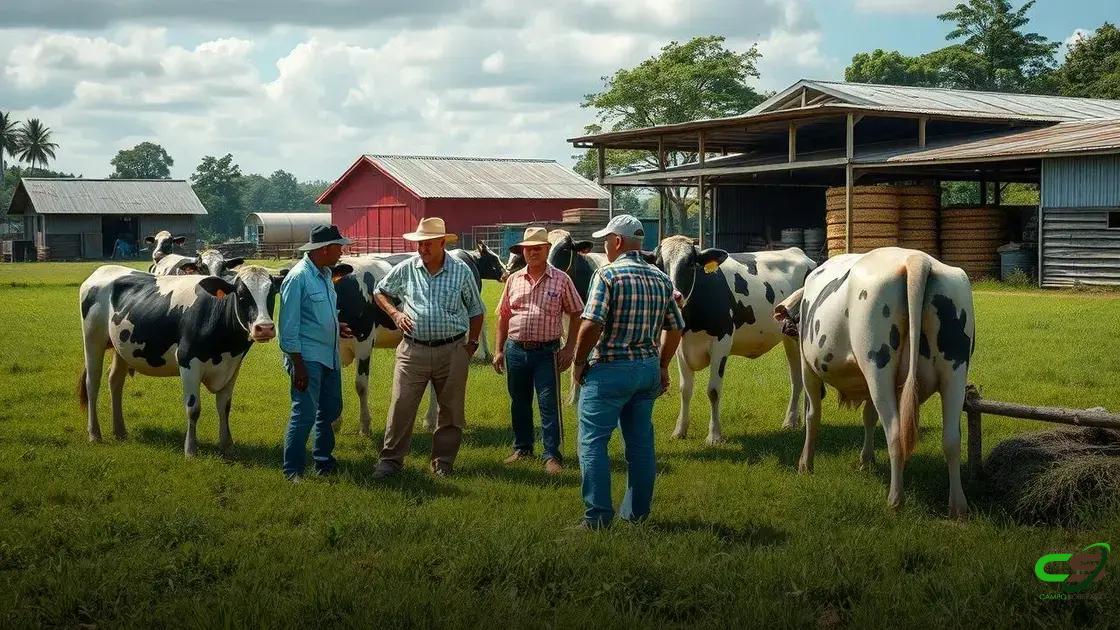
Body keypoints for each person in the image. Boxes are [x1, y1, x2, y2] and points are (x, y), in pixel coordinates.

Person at [571, 214, 685, 528]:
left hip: (609, 369)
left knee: (592, 442)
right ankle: (636, 515)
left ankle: (597, 518)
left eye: (606, 240)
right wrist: (662, 365)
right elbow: (675, 328)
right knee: (640, 444)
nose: (604, 246)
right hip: (646, 368)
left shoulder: (606, 275)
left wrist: (579, 362)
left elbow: (592, 323)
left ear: (617, 242)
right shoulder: (660, 278)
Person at [372, 217, 485, 478]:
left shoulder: (460, 270)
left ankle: (442, 463)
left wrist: (471, 346)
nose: (422, 249)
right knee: (401, 405)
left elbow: (476, 311)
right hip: (413, 350)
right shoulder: (408, 267)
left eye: (427, 244)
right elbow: (380, 291)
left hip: (452, 349)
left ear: (442, 243)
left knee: (451, 410)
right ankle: (390, 461)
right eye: (419, 244)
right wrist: (395, 314)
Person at [492, 227, 583, 474]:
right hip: (516, 350)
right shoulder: (513, 279)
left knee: (548, 403)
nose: (532, 252)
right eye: (528, 248)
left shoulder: (562, 279)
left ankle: (552, 455)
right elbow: (503, 316)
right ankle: (523, 448)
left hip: (547, 352)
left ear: (547, 250)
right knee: (519, 402)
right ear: (523, 251)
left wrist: (570, 348)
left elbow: (577, 313)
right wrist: (499, 350)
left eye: (538, 248)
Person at [279, 224, 355, 481]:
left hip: (329, 354)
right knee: (304, 413)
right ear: (324, 249)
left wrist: (337, 325)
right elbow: (288, 327)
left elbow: (320, 313)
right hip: (307, 358)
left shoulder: (324, 274)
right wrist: (297, 364)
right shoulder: (298, 277)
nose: (342, 251)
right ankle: (293, 471)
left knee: (331, 409)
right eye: (338, 246)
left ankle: (323, 461)